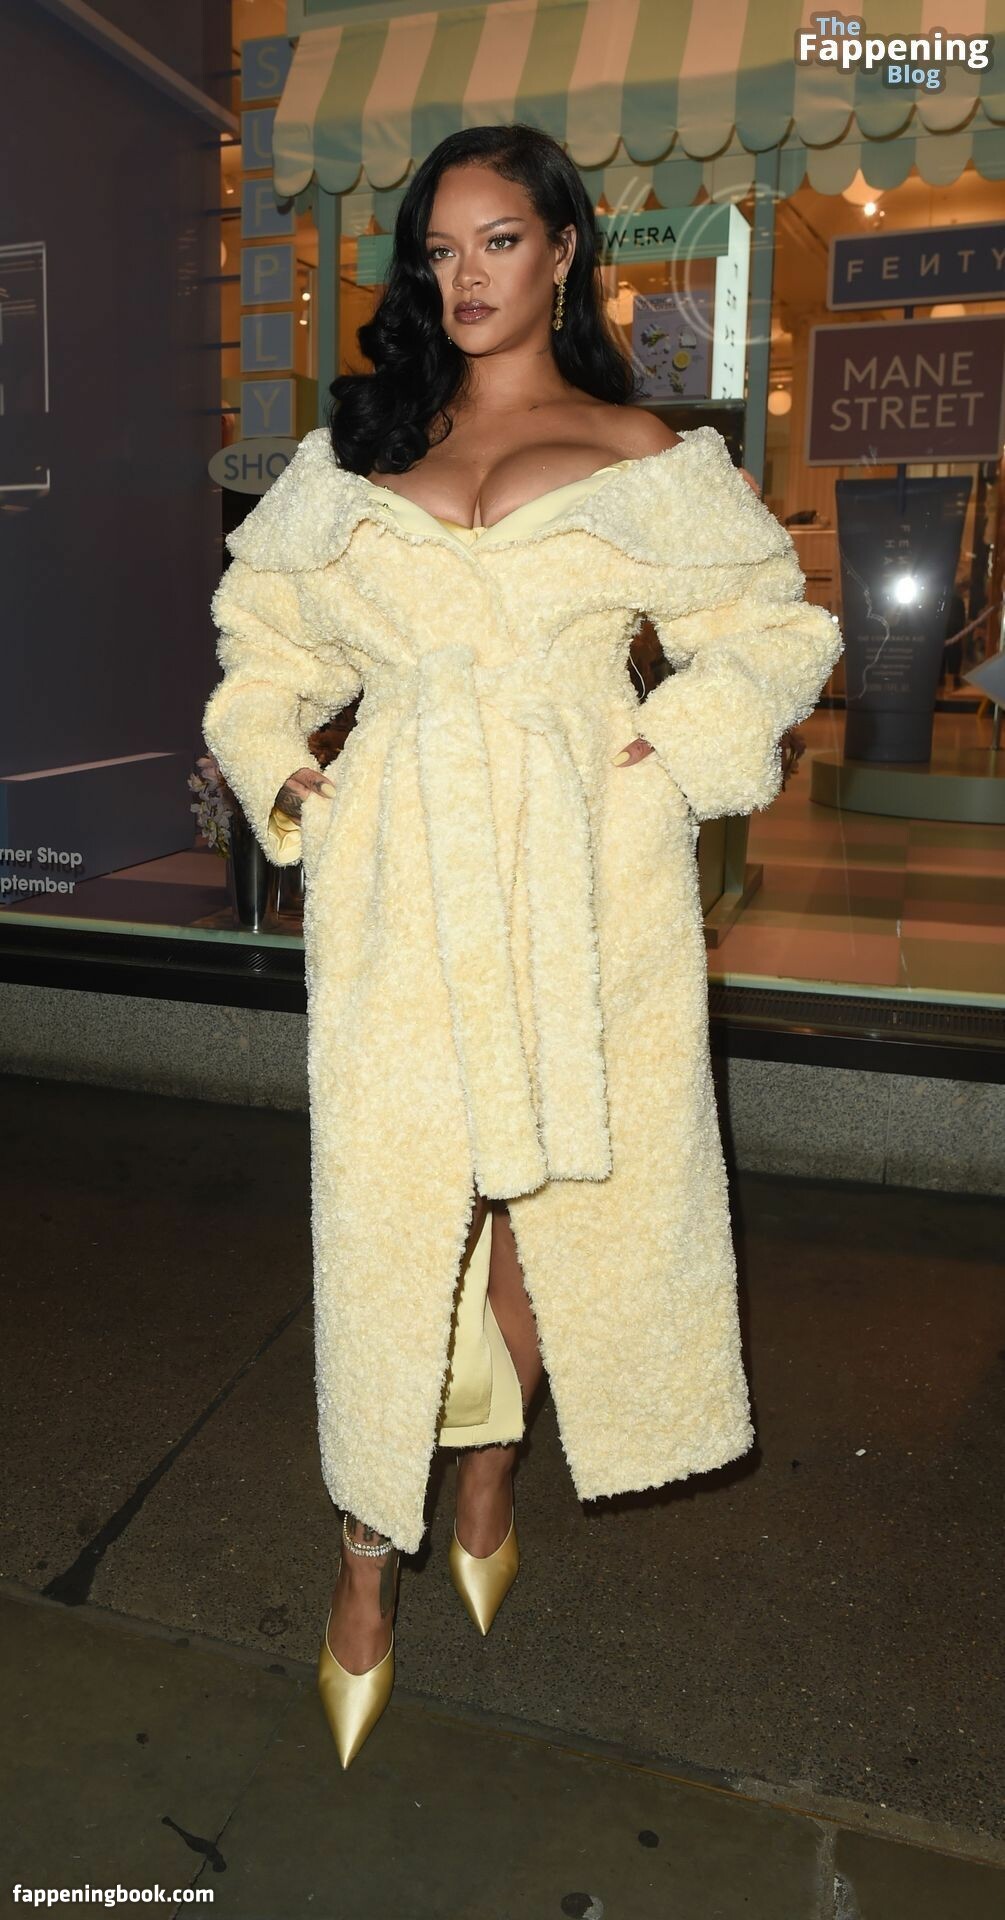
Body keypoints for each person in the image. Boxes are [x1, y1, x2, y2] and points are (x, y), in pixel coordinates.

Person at [202, 124, 843, 1771]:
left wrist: (670, 751)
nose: (465, 276)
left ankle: (488, 1470)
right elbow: (262, 646)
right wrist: (287, 770)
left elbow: (771, 632)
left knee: (554, 1198)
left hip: (584, 877)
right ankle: (364, 1556)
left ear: (563, 250)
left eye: (497, 240)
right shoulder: (358, 453)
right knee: (393, 1219)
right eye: (440, 249)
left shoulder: (644, 455)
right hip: (402, 877)